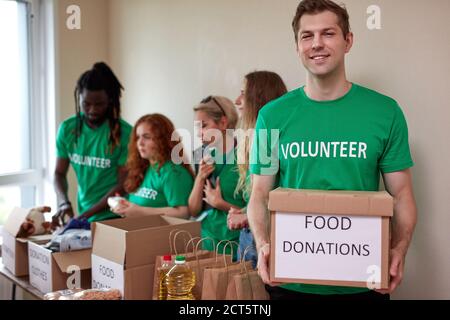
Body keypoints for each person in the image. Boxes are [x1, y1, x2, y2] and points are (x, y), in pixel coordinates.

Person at [247, 0, 417, 300]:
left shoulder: (385, 112)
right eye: (307, 36)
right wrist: (262, 243)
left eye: (328, 33)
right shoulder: (270, 116)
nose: (317, 44)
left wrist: (397, 249)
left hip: (362, 281)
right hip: (290, 282)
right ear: (297, 45)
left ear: (348, 40)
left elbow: (402, 195)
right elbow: (259, 194)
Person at [53, 62, 132, 224]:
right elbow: (59, 174)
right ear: (79, 97)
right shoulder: (68, 129)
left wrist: (85, 216)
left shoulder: (123, 133)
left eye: (99, 104)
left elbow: (122, 186)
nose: (92, 110)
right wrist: (63, 203)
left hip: (115, 216)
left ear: (110, 100)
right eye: (86, 104)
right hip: (85, 214)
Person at [227, 71, 287, 267]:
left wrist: (245, 217)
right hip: (252, 236)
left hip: (266, 239)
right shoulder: (249, 137)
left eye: (243, 93)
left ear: (258, 98)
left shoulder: (272, 139)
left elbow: (279, 196)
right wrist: (244, 212)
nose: (237, 101)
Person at [188, 96, 245, 257]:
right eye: (197, 127)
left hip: (235, 246)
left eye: (204, 126)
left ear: (223, 123)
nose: (199, 134)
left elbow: (256, 213)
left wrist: (221, 204)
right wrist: (200, 178)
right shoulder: (201, 155)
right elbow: (193, 210)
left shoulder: (245, 157)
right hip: (205, 242)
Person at [111, 114, 194, 218]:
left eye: (147, 137)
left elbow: (183, 213)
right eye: (137, 137)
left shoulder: (173, 171)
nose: (140, 143)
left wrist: (140, 212)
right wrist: (125, 205)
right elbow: (140, 205)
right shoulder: (143, 168)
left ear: (163, 139)